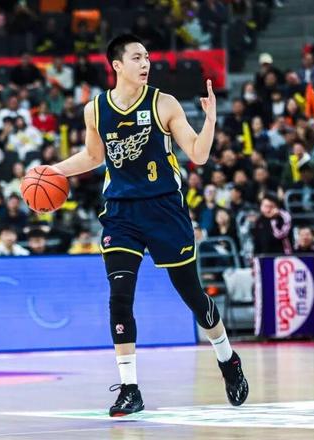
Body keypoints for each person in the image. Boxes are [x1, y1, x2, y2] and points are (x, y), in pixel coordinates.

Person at [50, 34, 248, 416]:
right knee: (120, 297)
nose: (146, 64)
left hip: (164, 210)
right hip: (121, 212)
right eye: (137, 58)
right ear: (117, 65)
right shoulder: (95, 109)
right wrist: (52, 170)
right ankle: (130, 388)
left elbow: (198, 154)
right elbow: (93, 156)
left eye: (147, 57)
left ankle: (228, 360)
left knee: (193, 296)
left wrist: (210, 120)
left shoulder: (163, 103)